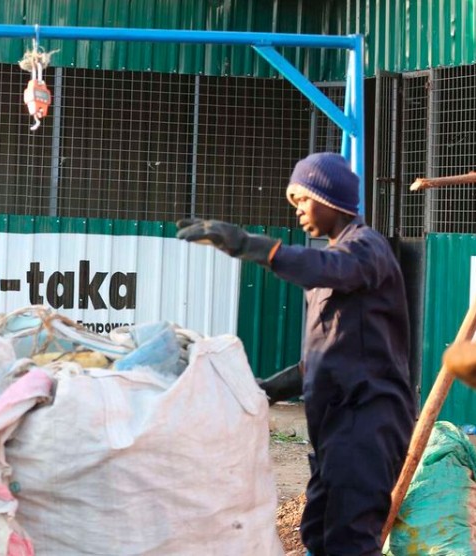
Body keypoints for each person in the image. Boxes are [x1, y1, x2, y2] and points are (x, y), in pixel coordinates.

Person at [177, 152, 415, 556]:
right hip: (336, 423)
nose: (298, 210)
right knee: (318, 532)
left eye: (303, 199)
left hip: (368, 419)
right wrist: (269, 389)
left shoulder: (365, 249)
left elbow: (328, 267)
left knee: (350, 540)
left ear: (331, 200)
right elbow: (326, 354)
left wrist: (251, 246)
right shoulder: (330, 272)